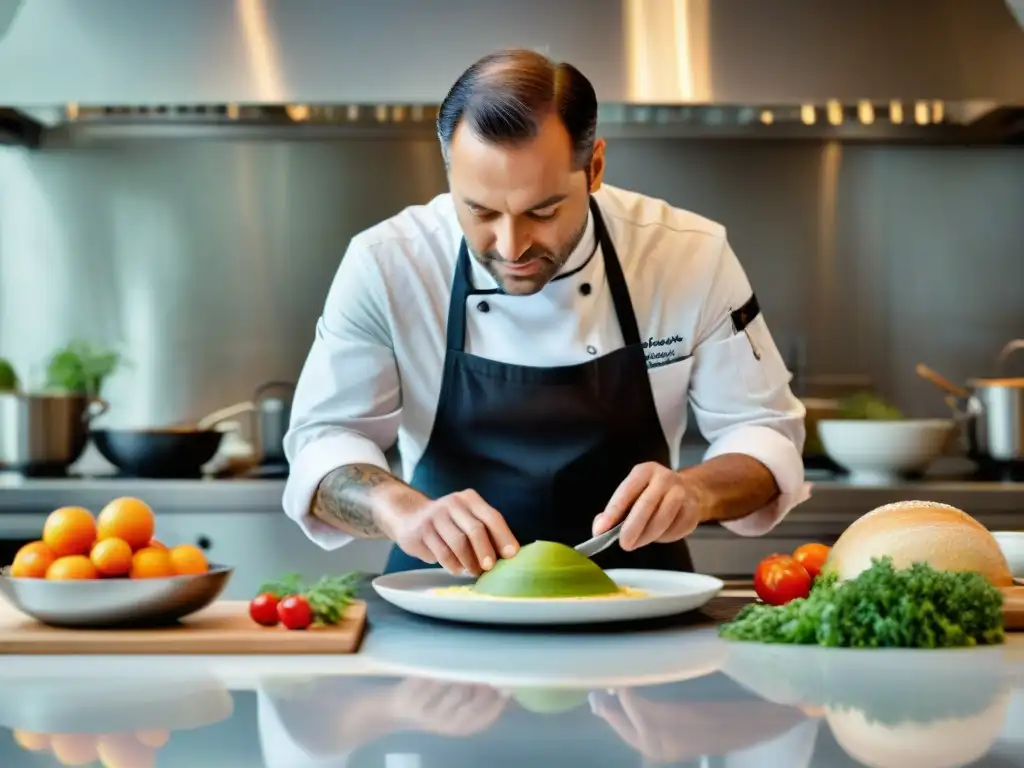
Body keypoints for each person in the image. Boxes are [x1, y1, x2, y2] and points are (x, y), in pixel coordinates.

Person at [281, 48, 808, 576]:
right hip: (445, 601)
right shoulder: (387, 263)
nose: (511, 247)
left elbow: (764, 432)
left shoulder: (687, 255)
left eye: (544, 211)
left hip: (640, 604)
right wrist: (400, 512)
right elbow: (323, 442)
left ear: (595, 167)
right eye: (481, 211)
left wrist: (695, 492)